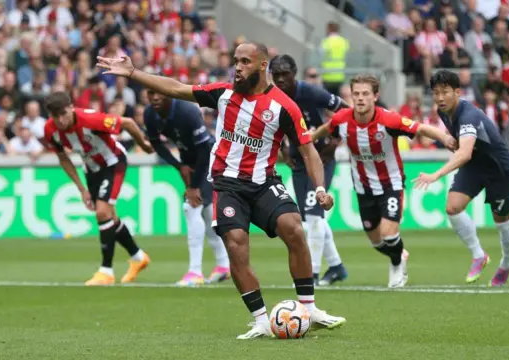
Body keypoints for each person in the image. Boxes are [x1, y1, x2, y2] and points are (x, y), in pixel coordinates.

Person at [97, 41, 346, 339]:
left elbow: (308, 152)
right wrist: (133, 72)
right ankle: (261, 320)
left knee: (294, 228)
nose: (237, 67)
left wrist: (319, 188)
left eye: (245, 62)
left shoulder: (284, 107)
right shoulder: (223, 93)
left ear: (262, 65)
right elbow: (176, 88)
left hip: (264, 181)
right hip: (227, 184)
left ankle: (309, 307)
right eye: (235, 61)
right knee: (236, 243)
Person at [312, 74, 456, 288]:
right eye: (356, 94)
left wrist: (445, 138)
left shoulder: (389, 120)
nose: (360, 98)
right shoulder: (342, 119)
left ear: (375, 96)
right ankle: (399, 253)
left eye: (365, 94)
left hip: (391, 184)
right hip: (363, 188)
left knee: (389, 234)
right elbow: (327, 128)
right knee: (376, 241)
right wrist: (310, 137)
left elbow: (420, 129)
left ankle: (397, 263)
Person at [413, 70, 509, 287]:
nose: (440, 98)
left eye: (445, 92)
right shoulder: (443, 112)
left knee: (502, 219)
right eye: (436, 93)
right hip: (475, 166)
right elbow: (462, 145)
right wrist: (451, 139)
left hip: (499, 168)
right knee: (452, 208)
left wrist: (436, 175)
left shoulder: (468, 115)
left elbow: (464, 153)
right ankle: (479, 255)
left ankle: (507, 262)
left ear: (457, 92)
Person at [43, 91, 154, 286]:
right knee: (110, 217)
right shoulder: (50, 130)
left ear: (71, 108)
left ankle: (106, 271)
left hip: (113, 163)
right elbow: (63, 158)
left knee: (102, 213)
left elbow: (127, 122)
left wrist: (143, 144)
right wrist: (81, 189)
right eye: (55, 116)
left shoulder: (90, 119)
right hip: (91, 170)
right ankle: (138, 257)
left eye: (63, 114)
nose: (60, 120)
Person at [270, 54, 349, 286]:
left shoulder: (311, 93)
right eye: (277, 75)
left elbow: (344, 110)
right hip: (298, 160)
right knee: (308, 217)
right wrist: (284, 149)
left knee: (314, 215)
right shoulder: (273, 97)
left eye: (286, 74)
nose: (281, 79)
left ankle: (312, 274)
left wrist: (335, 142)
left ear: (295, 74)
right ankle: (336, 267)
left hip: (321, 157)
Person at [143, 88, 230, 286]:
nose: (155, 97)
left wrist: (194, 186)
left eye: (158, 93)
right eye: (150, 93)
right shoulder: (150, 114)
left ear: (168, 94)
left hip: (210, 160)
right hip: (188, 160)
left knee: (190, 207)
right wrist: (178, 165)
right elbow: (156, 144)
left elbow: (204, 149)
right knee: (207, 212)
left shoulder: (187, 111)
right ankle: (224, 266)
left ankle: (195, 272)